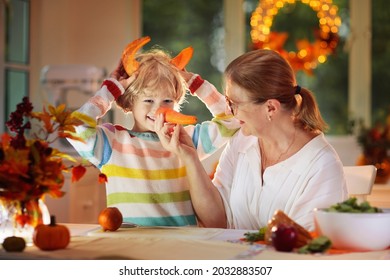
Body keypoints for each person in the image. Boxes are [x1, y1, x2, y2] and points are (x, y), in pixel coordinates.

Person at [155, 49, 348, 231]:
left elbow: (306, 249)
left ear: (270, 108)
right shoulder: (242, 141)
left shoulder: (321, 165)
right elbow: (218, 220)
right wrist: (190, 158)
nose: (229, 112)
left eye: (234, 104)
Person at [67, 45, 239, 227]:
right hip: (132, 245)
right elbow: (75, 127)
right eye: (148, 100)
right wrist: (111, 90)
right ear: (130, 102)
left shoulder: (184, 140)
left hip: (179, 245)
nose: (158, 109)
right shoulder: (113, 142)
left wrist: (194, 83)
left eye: (167, 100)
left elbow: (232, 119)